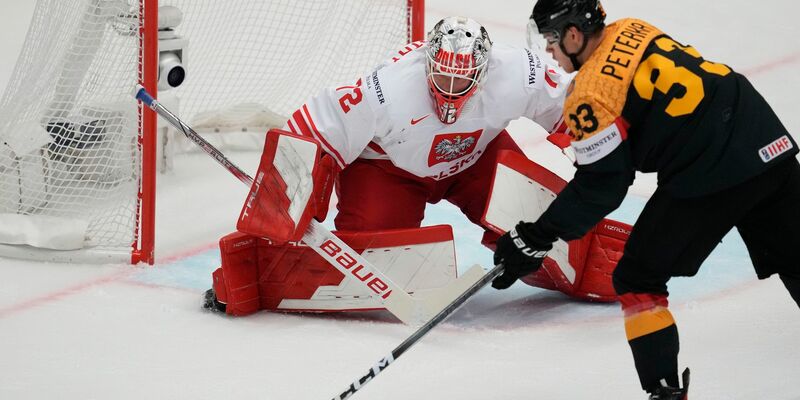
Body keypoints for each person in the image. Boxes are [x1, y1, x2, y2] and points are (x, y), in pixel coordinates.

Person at [205, 16, 630, 317]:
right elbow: (311, 129)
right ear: (427, 62)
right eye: (442, 77)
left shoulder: (519, 71)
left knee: (538, 226)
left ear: (485, 72)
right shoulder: (387, 87)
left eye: (462, 80)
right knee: (374, 264)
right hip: (388, 170)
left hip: (476, 159)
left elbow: (576, 109)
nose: (450, 89)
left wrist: (604, 154)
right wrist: (281, 208)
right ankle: (261, 274)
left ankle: (594, 263)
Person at [491, 0, 800, 398]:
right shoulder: (632, 27)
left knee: (637, 277)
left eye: (551, 39)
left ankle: (665, 392)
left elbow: (604, 186)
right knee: (795, 254)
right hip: (760, 130)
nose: (548, 50)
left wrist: (537, 235)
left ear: (574, 35)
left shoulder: (589, 94)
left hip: (711, 167)